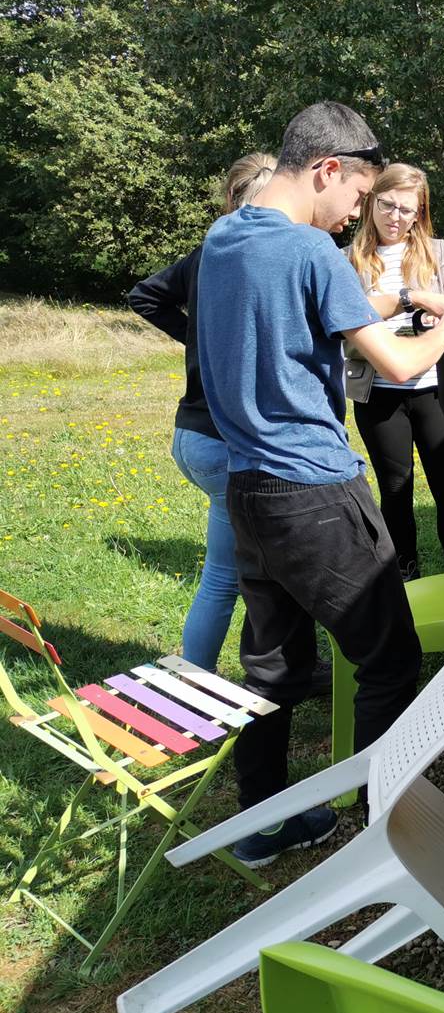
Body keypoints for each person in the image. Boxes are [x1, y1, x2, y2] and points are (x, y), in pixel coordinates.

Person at [196, 101, 444, 866]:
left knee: (273, 670)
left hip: (249, 490)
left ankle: (261, 826)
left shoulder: (224, 239)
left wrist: (409, 298)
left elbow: (321, 314)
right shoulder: (313, 252)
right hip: (316, 491)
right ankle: (385, 836)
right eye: (357, 194)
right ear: (327, 169)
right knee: (388, 660)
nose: (357, 211)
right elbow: (398, 363)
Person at [127, 153, 277, 671]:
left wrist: (198, 336)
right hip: (221, 443)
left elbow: (145, 295)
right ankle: (198, 678)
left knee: (254, 568)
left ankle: (284, 664)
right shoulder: (241, 256)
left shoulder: (208, 251)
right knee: (226, 577)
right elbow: (145, 297)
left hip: (193, 436)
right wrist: (197, 336)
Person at [346, 163, 444, 580]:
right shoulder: (346, 260)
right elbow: (341, 331)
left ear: (420, 214)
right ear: (371, 202)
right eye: (387, 205)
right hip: (378, 392)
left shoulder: (437, 252)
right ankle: (404, 579)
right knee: (395, 489)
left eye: (406, 210)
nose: (395, 217)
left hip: (435, 390)